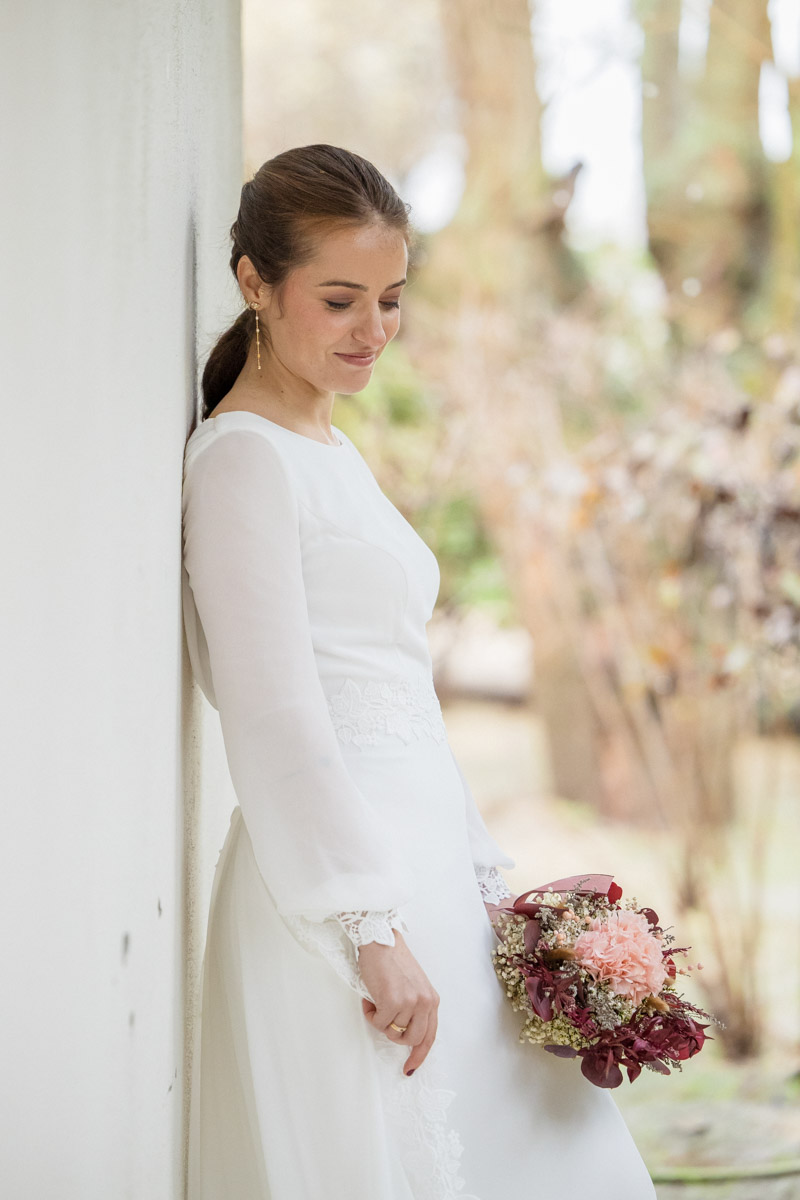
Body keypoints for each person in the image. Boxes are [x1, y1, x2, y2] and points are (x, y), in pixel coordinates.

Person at [181, 144, 657, 1200]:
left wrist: (488, 881)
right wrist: (368, 930)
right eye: (339, 300)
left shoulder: (328, 446)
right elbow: (272, 713)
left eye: (390, 299)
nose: (372, 330)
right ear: (255, 282)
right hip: (338, 897)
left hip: (428, 867)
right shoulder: (242, 460)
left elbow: (401, 693)